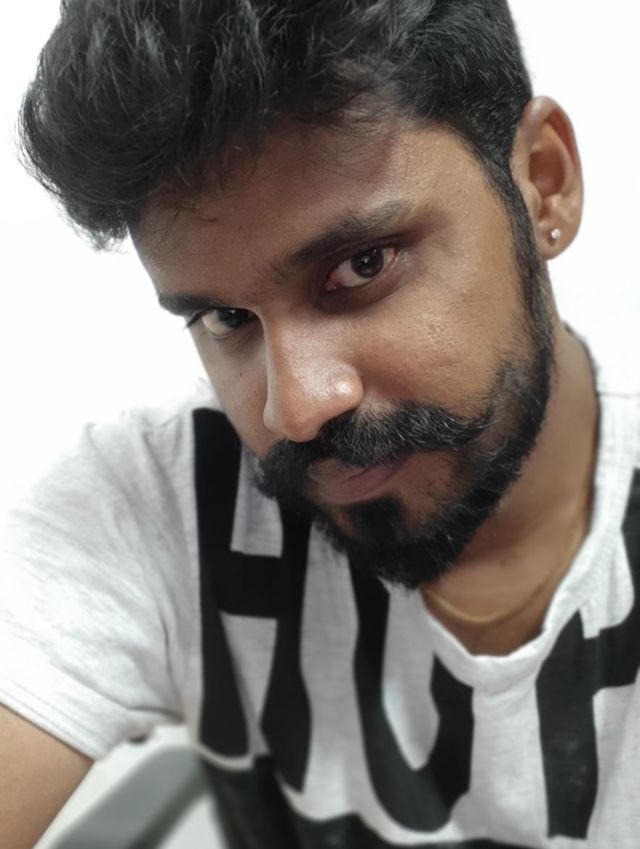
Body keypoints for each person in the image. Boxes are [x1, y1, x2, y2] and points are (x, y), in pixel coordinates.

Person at [2, 1, 638, 846]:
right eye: (227, 319)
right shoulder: (166, 507)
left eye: (362, 265)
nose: (295, 408)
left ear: (543, 182)